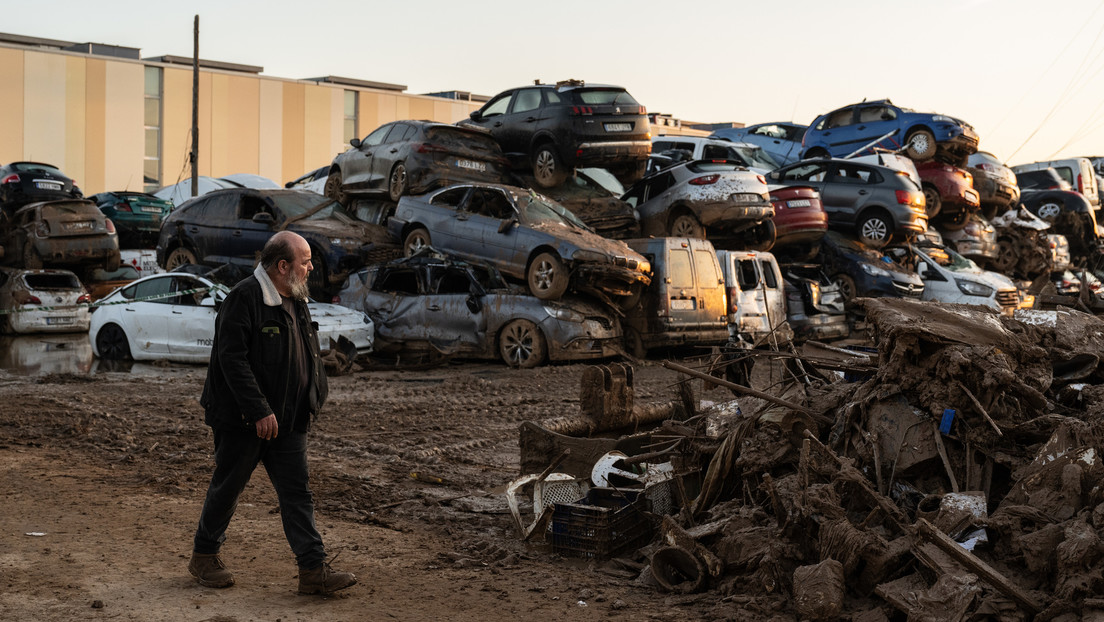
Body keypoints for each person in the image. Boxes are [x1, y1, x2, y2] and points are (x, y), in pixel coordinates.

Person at [188, 230, 356, 595]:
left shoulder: (296, 298)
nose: (311, 268)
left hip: (290, 419)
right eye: (305, 261)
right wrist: (259, 410)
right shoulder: (244, 298)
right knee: (228, 487)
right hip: (244, 420)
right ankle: (204, 556)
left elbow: (307, 352)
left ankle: (312, 570)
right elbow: (232, 360)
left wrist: (314, 395)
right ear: (282, 266)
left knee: (297, 493)